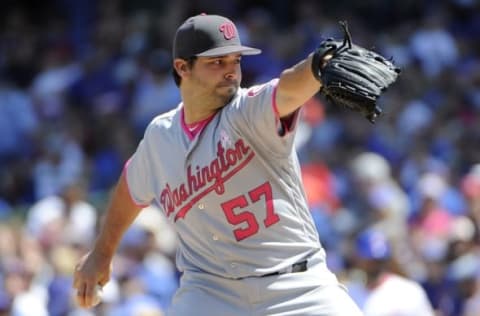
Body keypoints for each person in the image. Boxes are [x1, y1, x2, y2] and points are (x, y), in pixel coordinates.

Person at [73, 13, 363, 315]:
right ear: (182, 67)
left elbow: (288, 88)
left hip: (296, 286)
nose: (231, 72)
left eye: (235, 61)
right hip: (211, 295)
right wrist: (102, 253)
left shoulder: (247, 110)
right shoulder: (160, 137)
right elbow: (130, 189)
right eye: (217, 62)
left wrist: (318, 66)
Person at [353, 228, 435, 316]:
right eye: (370, 261)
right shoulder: (350, 294)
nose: (375, 265)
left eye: (380, 260)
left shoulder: (409, 291)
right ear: (358, 260)